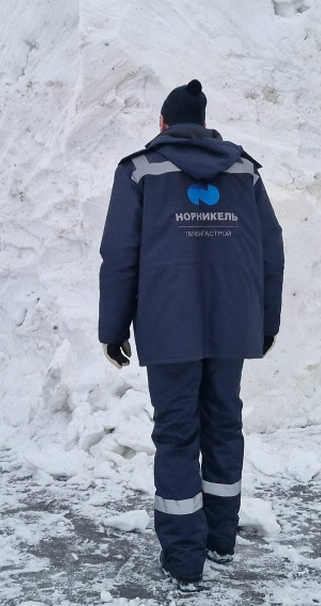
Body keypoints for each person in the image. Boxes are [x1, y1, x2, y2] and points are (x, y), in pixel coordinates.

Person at [98, 79, 285, 591]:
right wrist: (266, 322)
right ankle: (220, 540)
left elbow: (119, 256)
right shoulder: (245, 171)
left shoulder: (140, 170)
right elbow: (271, 250)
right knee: (224, 425)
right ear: (204, 125)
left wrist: (113, 329)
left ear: (163, 124)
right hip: (232, 324)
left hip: (168, 326)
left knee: (177, 435)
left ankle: (184, 560)